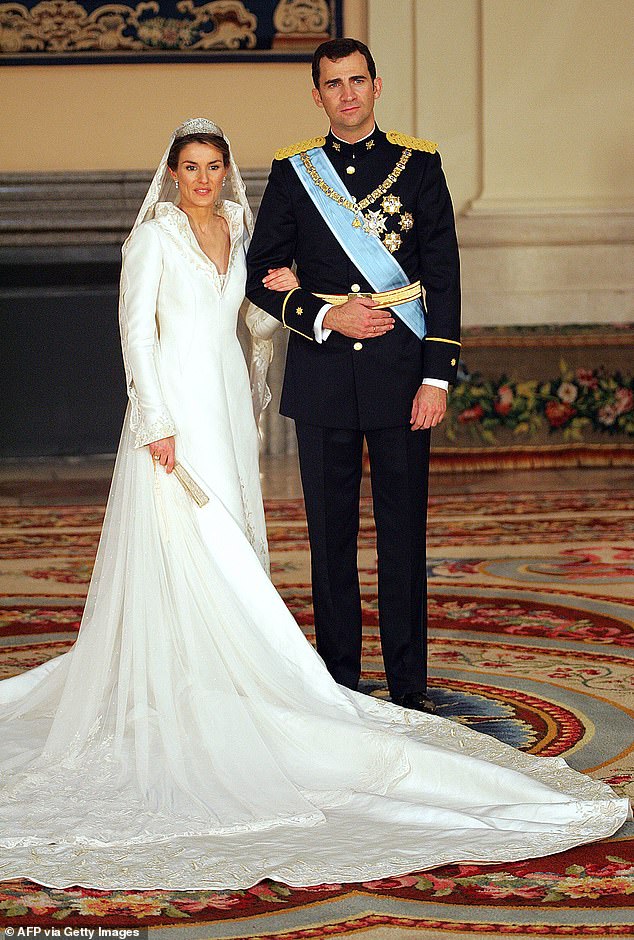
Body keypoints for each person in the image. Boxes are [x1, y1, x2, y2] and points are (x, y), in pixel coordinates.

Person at [0, 119, 628, 893]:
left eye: (213, 166)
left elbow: (257, 315)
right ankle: (187, 671)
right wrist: (156, 421)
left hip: (228, 402)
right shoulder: (153, 239)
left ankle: (238, 672)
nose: (201, 178)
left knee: (233, 526)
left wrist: (303, 302)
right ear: (169, 174)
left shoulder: (236, 224)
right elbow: (135, 332)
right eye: (189, 167)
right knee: (191, 541)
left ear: (227, 173)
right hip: (176, 411)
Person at [246, 38, 461, 714]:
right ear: (317, 95)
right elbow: (258, 276)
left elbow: (445, 274)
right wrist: (324, 315)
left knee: (402, 536)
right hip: (323, 375)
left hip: (403, 373)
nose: (347, 94)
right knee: (330, 536)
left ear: (376, 86)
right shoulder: (293, 171)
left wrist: (438, 379)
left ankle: (407, 687)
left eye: (357, 81)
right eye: (333, 84)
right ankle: (339, 682)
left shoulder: (418, 165)